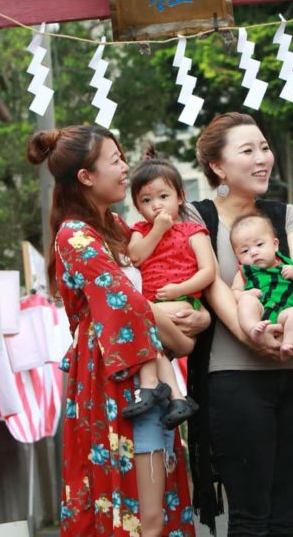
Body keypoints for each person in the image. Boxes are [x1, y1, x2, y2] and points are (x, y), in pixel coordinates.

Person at [26, 126, 209, 537]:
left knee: (152, 509)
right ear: (86, 177)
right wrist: (186, 333)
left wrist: (190, 320)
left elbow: (142, 300)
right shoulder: (76, 235)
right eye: (115, 160)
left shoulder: (112, 226)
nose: (126, 168)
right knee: (146, 517)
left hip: (134, 373)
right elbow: (131, 306)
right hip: (118, 378)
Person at [184, 111, 293, 536]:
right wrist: (256, 338)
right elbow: (216, 288)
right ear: (217, 166)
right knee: (251, 518)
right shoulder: (196, 217)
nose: (262, 159)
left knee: (288, 517)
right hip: (233, 380)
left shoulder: (285, 215)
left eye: (265, 148)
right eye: (248, 150)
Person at [124, 151, 215, 429]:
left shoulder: (193, 231)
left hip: (182, 301)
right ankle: (177, 398)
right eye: (146, 200)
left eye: (163, 197)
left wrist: (180, 288)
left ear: (180, 196)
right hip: (153, 306)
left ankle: (151, 385)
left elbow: (208, 271)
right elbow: (136, 256)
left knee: (141, 320)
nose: (156, 205)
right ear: (138, 206)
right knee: (152, 344)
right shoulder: (140, 230)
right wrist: (158, 231)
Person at [230, 213, 293, 359]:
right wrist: (244, 294)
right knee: (246, 302)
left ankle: (288, 345)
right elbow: (234, 291)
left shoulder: (289, 265)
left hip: (285, 313)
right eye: (245, 251)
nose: (254, 252)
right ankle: (253, 330)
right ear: (237, 257)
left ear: (275, 245)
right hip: (261, 312)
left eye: (259, 245)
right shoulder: (245, 272)